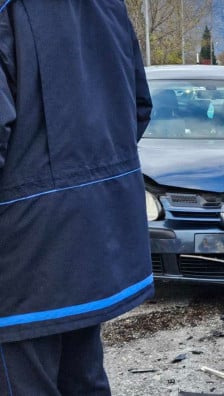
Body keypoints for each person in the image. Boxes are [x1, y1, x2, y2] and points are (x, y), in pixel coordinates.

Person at [0, 1, 153, 394]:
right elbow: (137, 108)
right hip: (93, 245)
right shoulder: (108, 8)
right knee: (83, 379)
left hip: (21, 263)